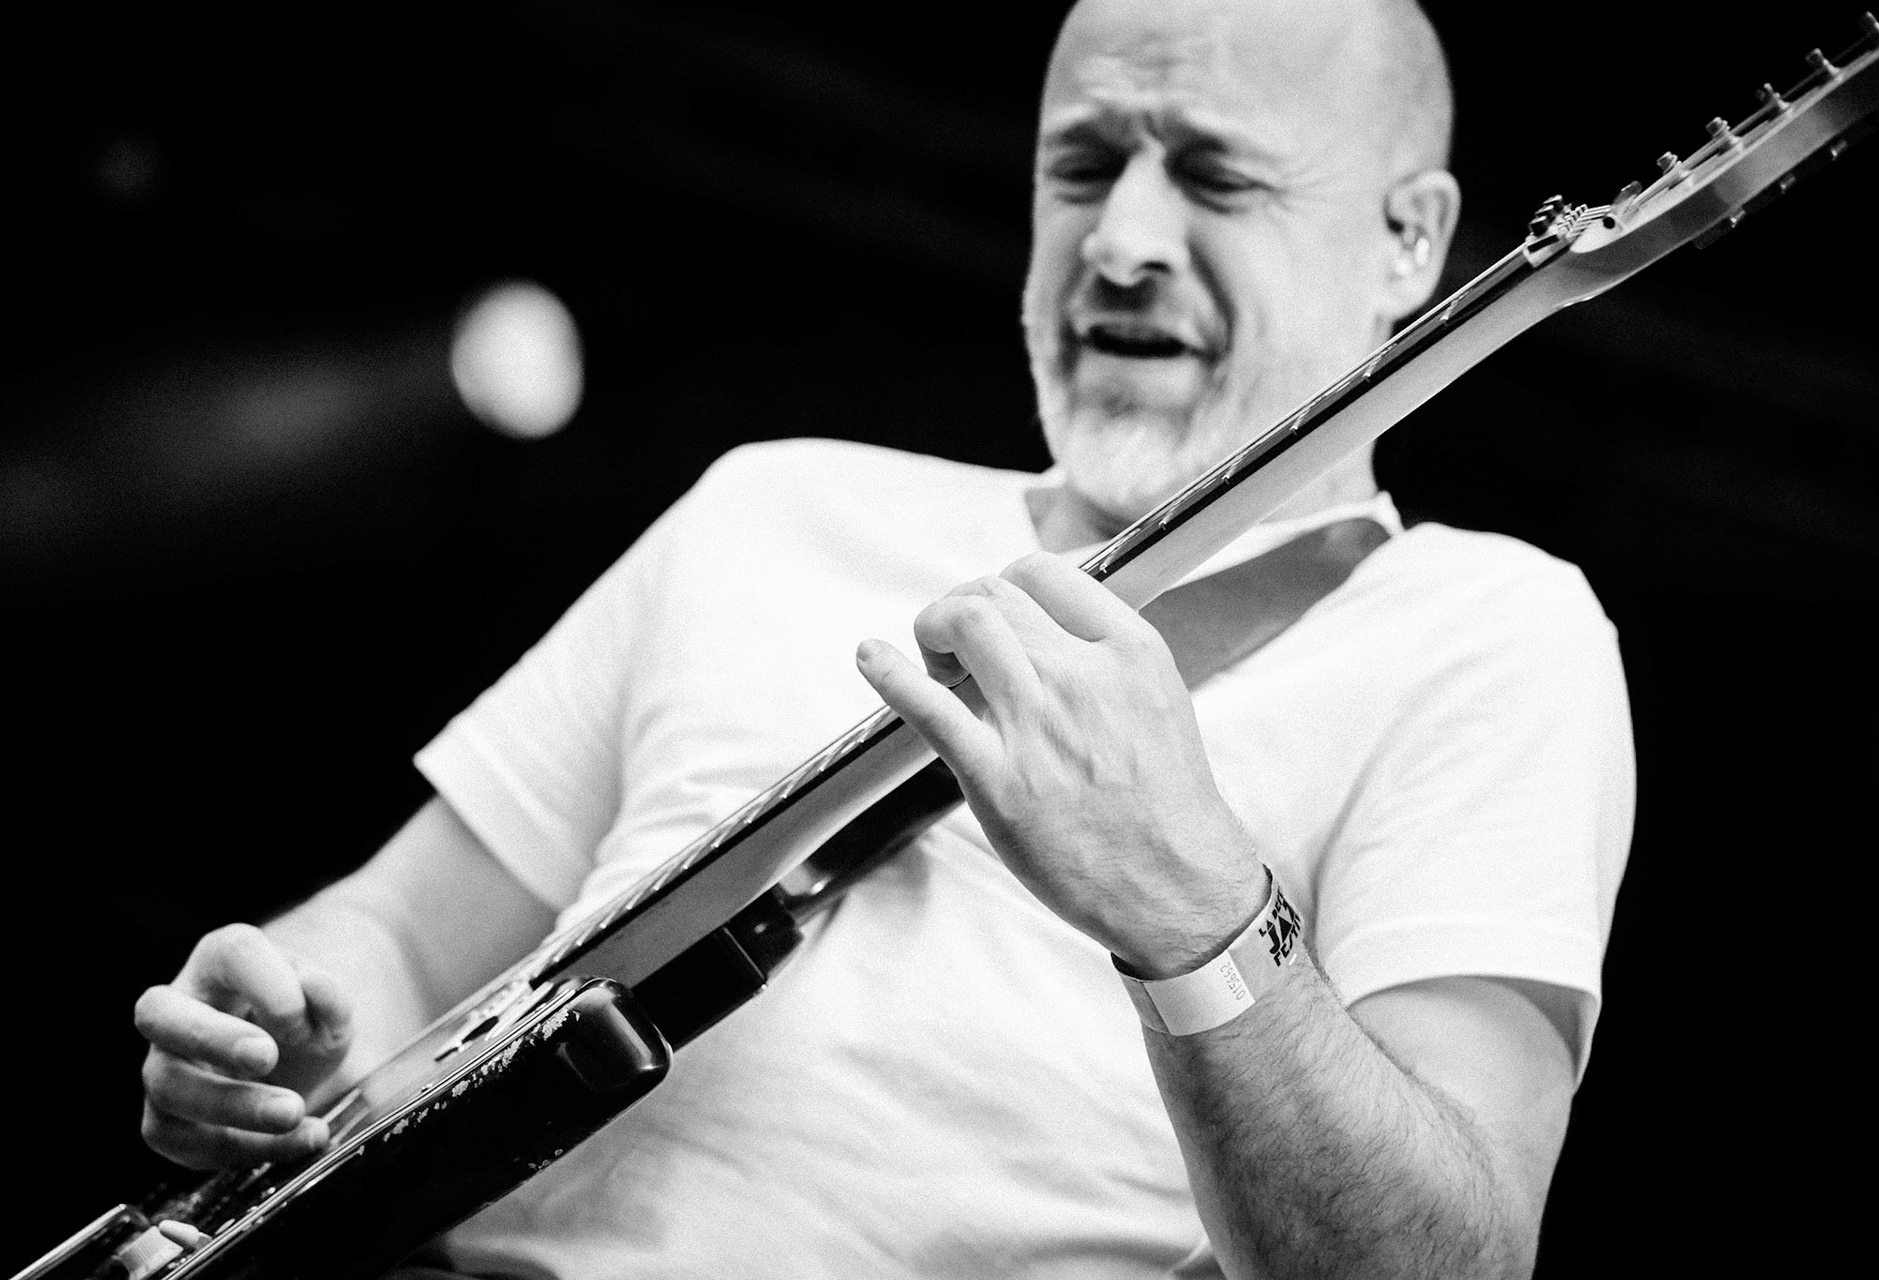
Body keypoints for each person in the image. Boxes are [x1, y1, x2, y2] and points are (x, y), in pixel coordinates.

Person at [131, 0, 1634, 1275]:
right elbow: (393, 937)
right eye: (1083, 166)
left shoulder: (1491, 632)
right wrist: (283, 1037)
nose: (1119, 241)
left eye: (1218, 179)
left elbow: (1450, 1255)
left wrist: (1193, 913)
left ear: (1408, 243)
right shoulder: (772, 506)